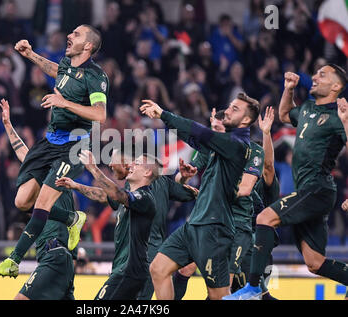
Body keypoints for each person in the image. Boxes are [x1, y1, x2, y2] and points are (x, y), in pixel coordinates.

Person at [0, 24, 109, 278]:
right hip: (50, 141)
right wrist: (31, 55)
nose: (69, 35)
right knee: (22, 201)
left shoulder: (96, 77)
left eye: (76, 34)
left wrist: (63, 102)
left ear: (88, 46)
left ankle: (13, 260)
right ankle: (72, 218)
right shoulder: (67, 62)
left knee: (42, 204)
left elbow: (100, 114)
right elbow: (58, 72)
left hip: (73, 145)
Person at [223, 64, 348, 299]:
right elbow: (283, 115)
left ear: (336, 86)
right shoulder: (308, 108)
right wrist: (288, 89)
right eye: (316, 73)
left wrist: (346, 121)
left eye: (322, 75)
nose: (314, 77)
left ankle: (252, 289)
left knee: (265, 218)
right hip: (307, 190)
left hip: (317, 189)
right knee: (314, 262)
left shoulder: (339, 115)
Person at [140, 92, 260, 300]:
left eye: (235, 109)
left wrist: (164, 114)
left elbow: (200, 133)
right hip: (194, 225)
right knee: (158, 269)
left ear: (247, 120)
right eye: (230, 106)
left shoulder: (237, 146)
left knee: (218, 295)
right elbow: (193, 136)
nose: (228, 110)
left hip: (214, 229)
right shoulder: (218, 147)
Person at [56, 148, 197, 300]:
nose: (110, 164)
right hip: (127, 264)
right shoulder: (132, 188)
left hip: (140, 263)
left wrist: (93, 169)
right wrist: (77, 186)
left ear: (127, 164)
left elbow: (189, 193)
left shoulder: (147, 192)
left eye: (113, 160)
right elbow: (110, 196)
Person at [0, 99, 80, 300]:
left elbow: (27, 155)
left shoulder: (56, 175)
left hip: (54, 253)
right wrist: (7, 125)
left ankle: (71, 218)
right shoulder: (41, 172)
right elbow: (23, 153)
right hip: (55, 256)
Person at [77, 150, 157, 300]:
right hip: (125, 269)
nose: (131, 165)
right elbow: (104, 195)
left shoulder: (144, 198)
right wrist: (75, 186)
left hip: (129, 270)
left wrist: (93, 168)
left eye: (137, 163)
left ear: (147, 172)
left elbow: (116, 194)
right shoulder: (128, 197)